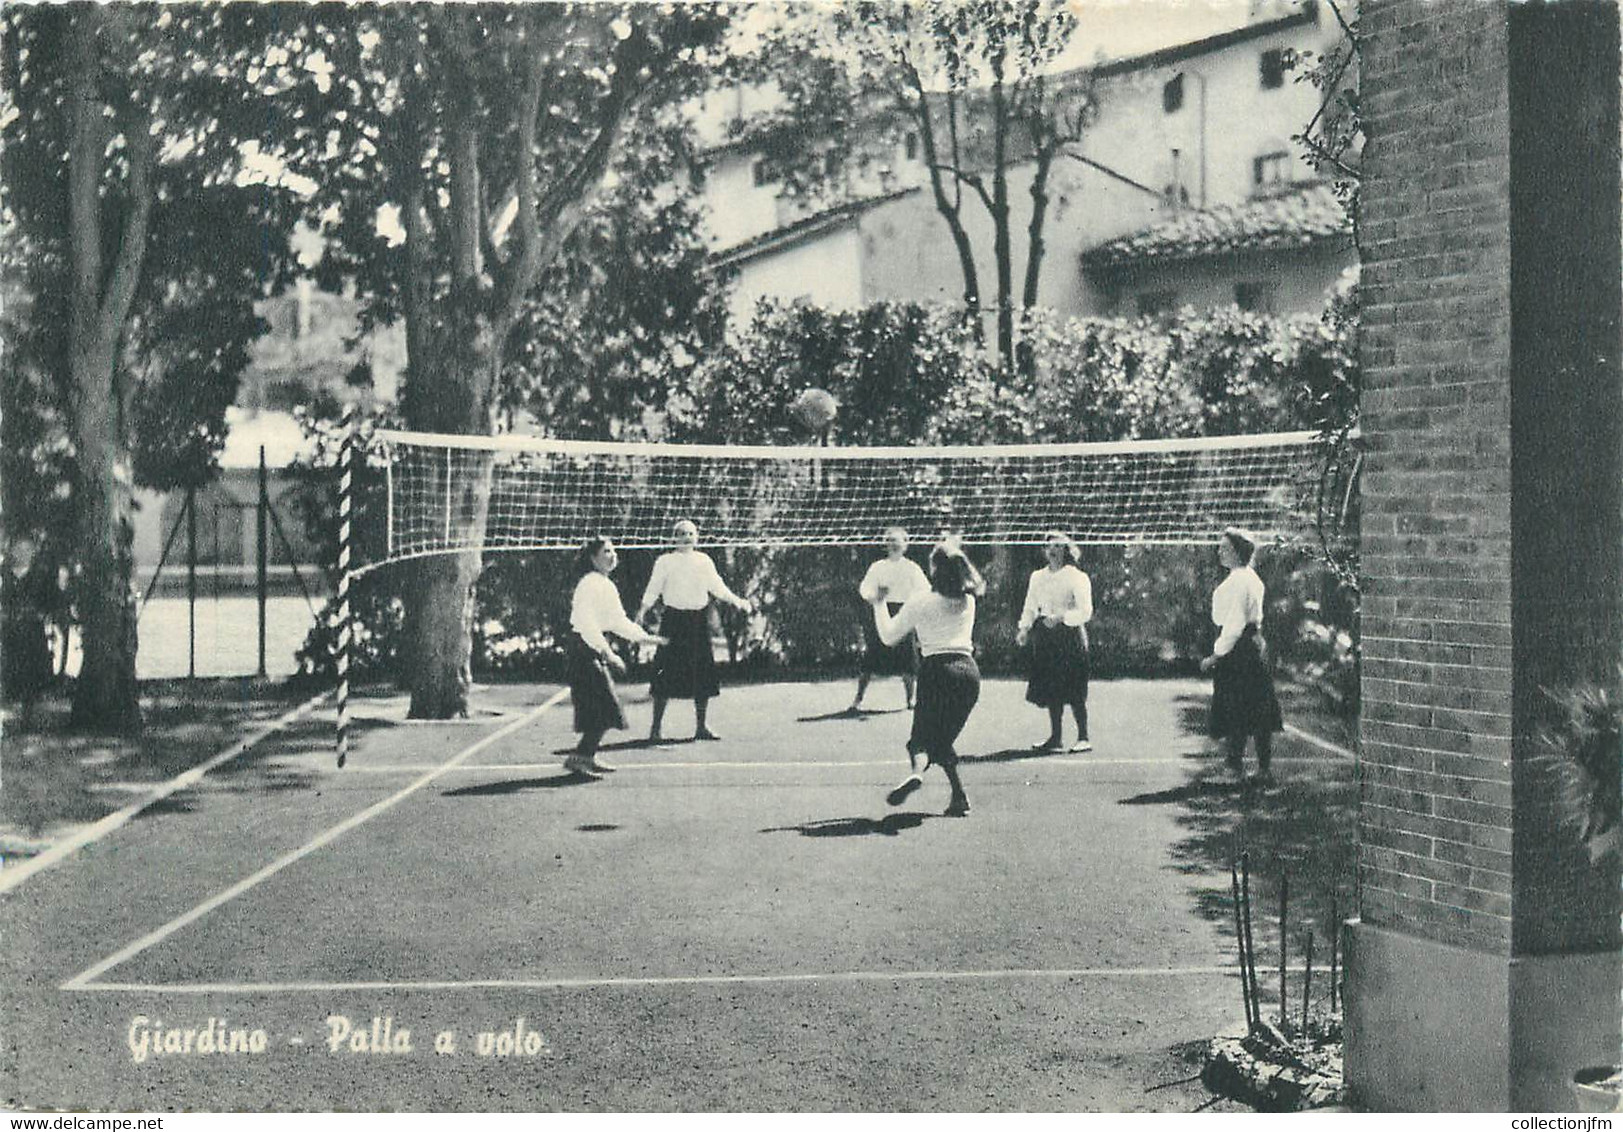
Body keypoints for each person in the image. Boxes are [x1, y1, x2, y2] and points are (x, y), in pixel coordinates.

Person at [871, 542, 985, 817]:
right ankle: (959, 798)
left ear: (933, 569)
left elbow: (888, 637)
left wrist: (879, 602)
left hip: (937, 670)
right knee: (942, 741)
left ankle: (916, 773)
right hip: (969, 673)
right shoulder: (968, 600)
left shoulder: (921, 601)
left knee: (920, 742)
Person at [638, 518, 751, 743]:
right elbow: (653, 588)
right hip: (673, 622)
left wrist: (738, 601)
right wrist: (642, 610)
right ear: (673, 538)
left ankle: (701, 727)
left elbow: (717, 587)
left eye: (690, 534)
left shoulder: (703, 561)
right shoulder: (665, 561)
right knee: (664, 675)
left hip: (697, 622)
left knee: (703, 675)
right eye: (681, 534)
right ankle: (655, 730)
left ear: (696, 537)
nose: (686, 538)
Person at [566, 537, 667, 778]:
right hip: (583, 648)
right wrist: (608, 653)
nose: (612, 556)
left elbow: (617, 621)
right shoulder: (589, 583)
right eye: (606, 552)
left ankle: (586, 756)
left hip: (590, 648)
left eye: (613, 551)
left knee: (604, 707)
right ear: (593, 558)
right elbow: (586, 624)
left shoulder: (605, 584)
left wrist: (649, 639)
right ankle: (578, 758)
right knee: (605, 706)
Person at [1199, 527, 1284, 781]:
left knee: (1236, 706)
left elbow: (1234, 623)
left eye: (1225, 547)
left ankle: (1234, 769)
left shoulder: (1239, 580)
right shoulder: (1250, 577)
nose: (1219, 551)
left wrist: (1216, 655)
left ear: (1237, 552)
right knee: (1257, 707)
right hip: (1253, 644)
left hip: (1241, 647)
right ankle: (1263, 769)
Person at [1016, 532, 1095, 752]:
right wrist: (1024, 628)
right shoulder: (1037, 576)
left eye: (1058, 546)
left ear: (1066, 550)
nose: (1053, 550)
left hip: (1069, 635)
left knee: (1075, 688)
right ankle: (1056, 738)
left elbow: (1085, 611)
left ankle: (1083, 737)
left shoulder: (1076, 576)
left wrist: (1061, 617)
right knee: (1052, 688)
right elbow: (1030, 606)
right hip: (1046, 637)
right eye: (1049, 546)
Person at [849, 527, 929, 713]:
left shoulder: (911, 568)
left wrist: (913, 603)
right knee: (871, 656)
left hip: (904, 611)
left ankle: (910, 700)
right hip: (882, 610)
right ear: (885, 545)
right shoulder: (878, 567)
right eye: (890, 541)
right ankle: (858, 699)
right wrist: (876, 595)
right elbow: (865, 589)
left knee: (908, 657)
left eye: (897, 541)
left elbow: (925, 589)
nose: (893, 544)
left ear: (905, 545)